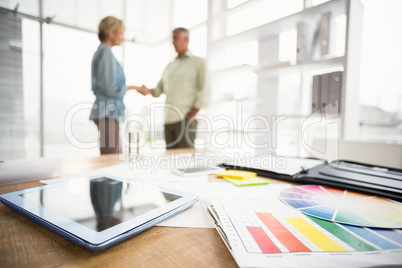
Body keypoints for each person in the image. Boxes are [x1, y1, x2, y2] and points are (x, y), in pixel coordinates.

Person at [136, 27, 211, 149]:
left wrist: (191, 115)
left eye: (176, 38)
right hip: (168, 120)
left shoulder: (198, 62)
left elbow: (206, 91)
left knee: (186, 163)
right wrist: (148, 91)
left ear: (186, 39)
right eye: (172, 39)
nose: (173, 42)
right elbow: (158, 90)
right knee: (170, 162)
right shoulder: (170, 66)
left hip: (184, 120)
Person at [90, 16, 136, 154]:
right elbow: (109, 88)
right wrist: (132, 87)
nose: (122, 37)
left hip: (108, 112)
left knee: (114, 155)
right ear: (112, 32)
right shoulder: (106, 53)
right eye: (120, 33)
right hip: (107, 112)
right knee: (111, 157)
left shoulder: (103, 52)